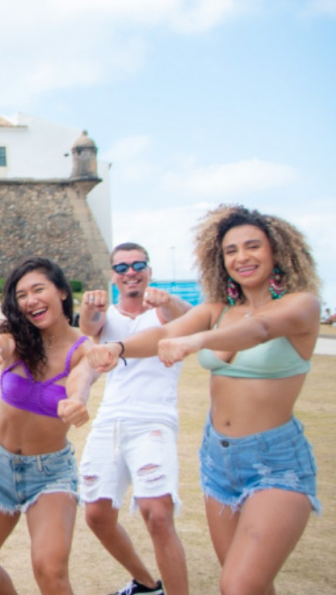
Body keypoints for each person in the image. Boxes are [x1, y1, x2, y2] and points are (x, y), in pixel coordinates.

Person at [88, 205, 322, 595]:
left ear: (277, 251)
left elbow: (260, 328)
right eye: (231, 250)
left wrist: (197, 341)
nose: (242, 257)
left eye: (252, 246)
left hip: (276, 462)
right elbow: (166, 333)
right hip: (219, 462)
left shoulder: (302, 305)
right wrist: (117, 348)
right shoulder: (218, 310)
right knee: (252, 585)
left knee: (237, 586)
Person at [0, 256, 95, 595]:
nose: (30, 300)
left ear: (62, 292)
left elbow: (82, 379)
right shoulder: (17, 337)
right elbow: (1, 344)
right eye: (21, 295)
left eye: (39, 290)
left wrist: (77, 401)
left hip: (50, 473)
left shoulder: (83, 349)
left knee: (50, 571)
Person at [78, 243, 191, 595]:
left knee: (157, 514)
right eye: (122, 267)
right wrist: (89, 306)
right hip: (110, 420)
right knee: (96, 515)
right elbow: (88, 328)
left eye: (139, 265)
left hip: (153, 420)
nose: (131, 272)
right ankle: (146, 584)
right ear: (113, 275)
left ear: (149, 271)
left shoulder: (165, 313)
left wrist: (167, 301)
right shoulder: (107, 316)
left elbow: (188, 317)